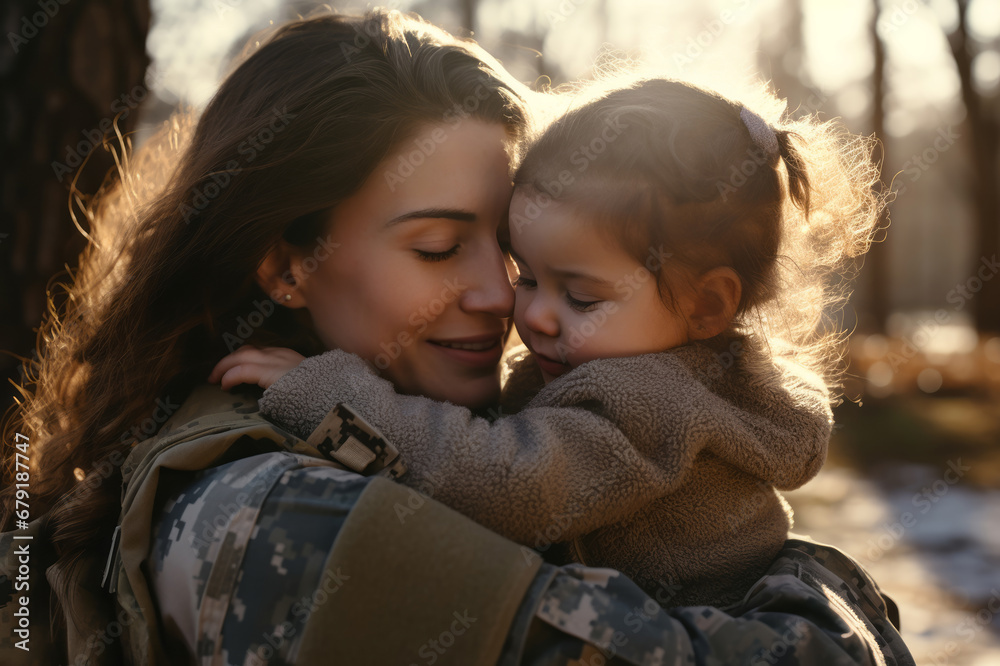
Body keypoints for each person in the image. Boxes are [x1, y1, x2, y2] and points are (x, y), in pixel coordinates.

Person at [0, 8, 913, 666]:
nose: (500, 295)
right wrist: (830, 597)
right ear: (284, 266)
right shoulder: (282, 518)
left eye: (508, 248)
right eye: (438, 247)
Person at [212, 76, 878, 609]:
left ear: (707, 304)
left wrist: (331, 396)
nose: (526, 311)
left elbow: (505, 481)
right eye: (526, 274)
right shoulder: (644, 364)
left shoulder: (650, 399)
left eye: (581, 297)